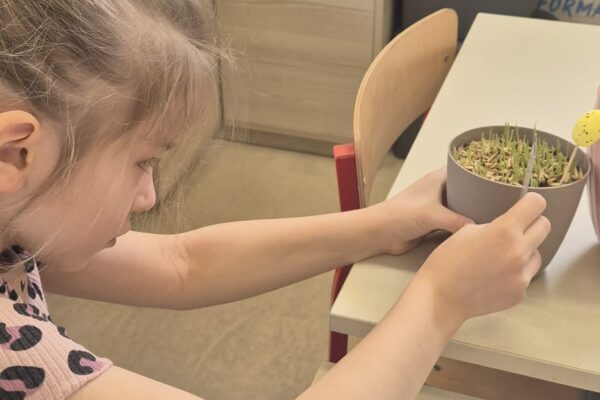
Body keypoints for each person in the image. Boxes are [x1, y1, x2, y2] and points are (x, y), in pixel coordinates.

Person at [0, 1, 550, 399]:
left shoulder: (19, 224)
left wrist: (384, 222)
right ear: (16, 154)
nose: (148, 196)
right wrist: (440, 300)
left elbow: (181, 266)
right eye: (142, 161)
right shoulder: (17, 358)